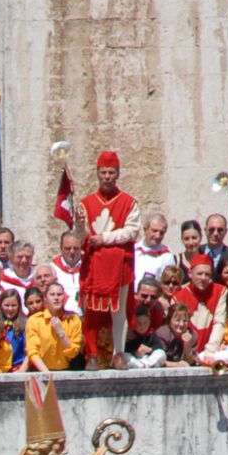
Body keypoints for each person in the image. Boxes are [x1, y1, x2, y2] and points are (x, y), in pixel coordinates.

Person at [74, 149, 142, 369]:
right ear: (97, 173)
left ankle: (118, 353)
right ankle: (92, 355)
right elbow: (81, 238)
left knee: (118, 310)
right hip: (94, 264)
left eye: (111, 172)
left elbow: (132, 231)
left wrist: (105, 238)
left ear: (118, 174)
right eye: (103, 172)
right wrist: (78, 225)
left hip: (120, 265)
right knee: (92, 310)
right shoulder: (86, 203)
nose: (107, 177)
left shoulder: (129, 202)